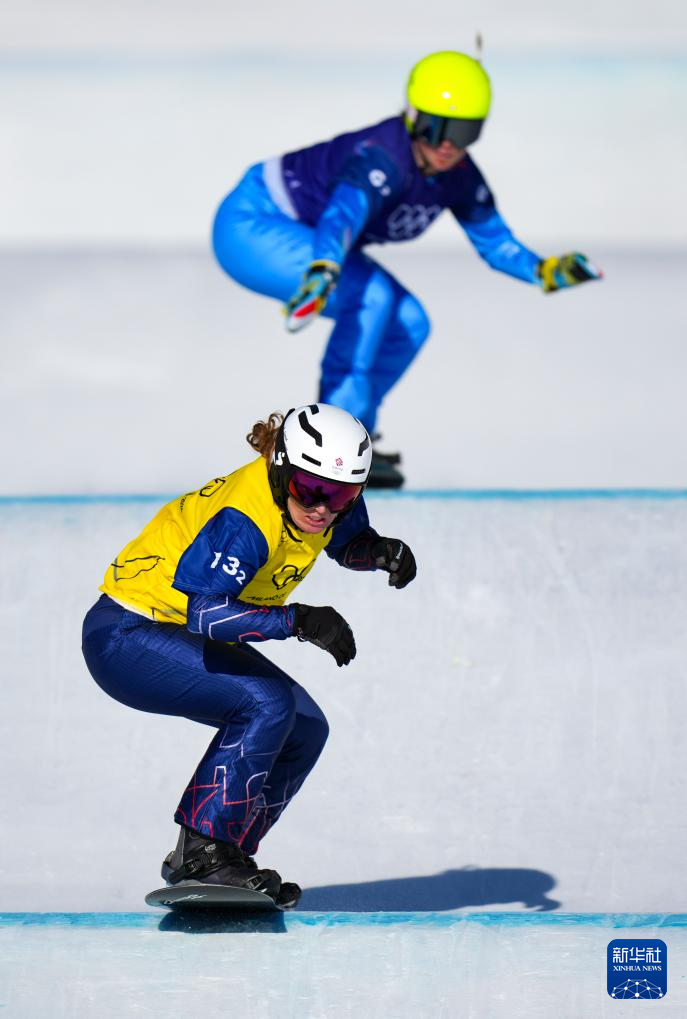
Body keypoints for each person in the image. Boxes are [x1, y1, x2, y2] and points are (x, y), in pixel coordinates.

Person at [212, 50, 602, 488]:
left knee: (409, 323)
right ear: (413, 117)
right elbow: (341, 216)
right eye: (437, 127)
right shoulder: (383, 158)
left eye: (464, 131)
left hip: (306, 237)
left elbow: (495, 243)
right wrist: (324, 267)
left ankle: (355, 434)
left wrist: (544, 271)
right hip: (252, 222)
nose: (448, 144)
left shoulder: (460, 176)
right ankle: (327, 447)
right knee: (371, 296)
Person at [81, 403, 417, 908]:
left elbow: (345, 540)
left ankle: (227, 855)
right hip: (127, 634)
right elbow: (206, 615)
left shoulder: (323, 496)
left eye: (343, 495)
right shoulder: (245, 519)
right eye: (310, 490)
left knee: (305, 728)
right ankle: (202, 854)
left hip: (176, 632)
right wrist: (299, 620)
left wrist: (380, 552)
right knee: (266, 703)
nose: (322, 508)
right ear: (281, 469)